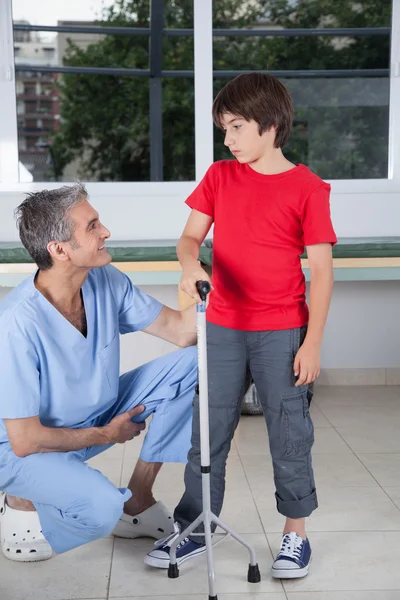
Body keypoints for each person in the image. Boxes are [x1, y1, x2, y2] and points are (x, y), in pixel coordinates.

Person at [145, 72, 336, 579]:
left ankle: (295, 536)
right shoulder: (220, 177)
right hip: (223, 328)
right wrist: (191, 265)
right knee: (206, 436)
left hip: (282, 331)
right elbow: (189, 240)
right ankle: (195, 528)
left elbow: (321, 273)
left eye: (235, 127)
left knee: (289, 433)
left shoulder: (309, 188)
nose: (227, 140)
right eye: (223, 129)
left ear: (269, 126)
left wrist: (312, 343)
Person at [0, 183, 198, 562]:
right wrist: (107, 434)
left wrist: (209, 284)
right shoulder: (16, 324)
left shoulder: (105, 280)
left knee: (194, 363)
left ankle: (138, 501)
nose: (106, 231)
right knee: (101, 510)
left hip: (98, 412)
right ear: (59, 250)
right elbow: (24, 440)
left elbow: (181, 331)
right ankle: (21, 496)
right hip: (25, 449)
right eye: (92, 226)